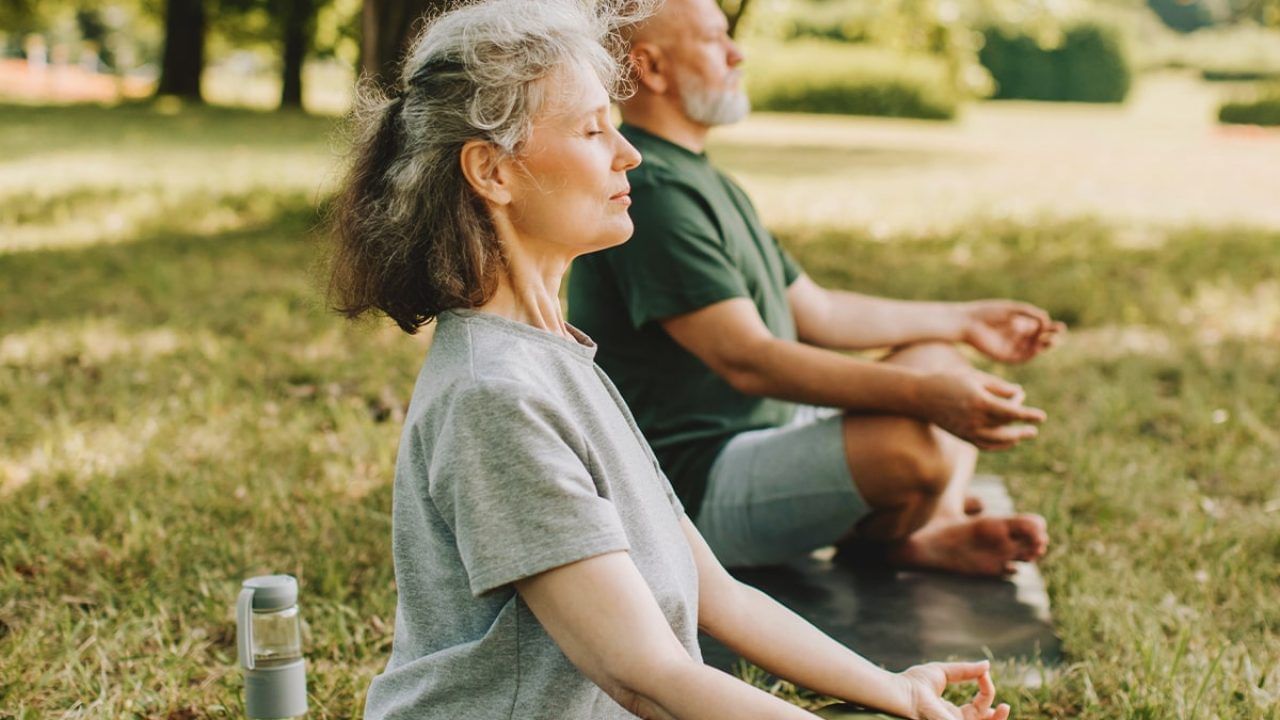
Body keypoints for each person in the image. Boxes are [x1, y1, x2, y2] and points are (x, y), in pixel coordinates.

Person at [329, 1, 1013, 718]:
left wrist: (894, 690)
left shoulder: (558, 358)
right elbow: (647, 676)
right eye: (593, 130)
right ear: (492, 172)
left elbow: (717, 593)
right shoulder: (495, 395)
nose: (629, 154)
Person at [567, 0, 1064, 576]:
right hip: (690, 488)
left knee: (941, 360)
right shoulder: (652, 191)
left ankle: (927, 529)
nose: (737, 53)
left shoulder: (700, 177)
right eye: (713, 40)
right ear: (650, 69)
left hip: (770, 432)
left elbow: (820, 311)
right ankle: (909, 529)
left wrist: (963, 321)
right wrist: (924, 396)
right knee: (915, 441)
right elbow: (749, 361)